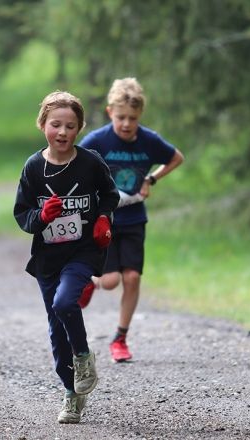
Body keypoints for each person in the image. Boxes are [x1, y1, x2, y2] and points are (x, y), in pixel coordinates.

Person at [13, 91, 119, 423]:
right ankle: (71, 392)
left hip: (83, 251)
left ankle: (84, 357)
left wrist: (103, 218)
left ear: (79, 128)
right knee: (57, 332)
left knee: (64, 303)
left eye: (70, 126)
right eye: (55, 124)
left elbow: (110, 195)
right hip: (49, 257)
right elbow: (22, 214)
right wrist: (42, 216)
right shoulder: (33, 167)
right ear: (42, 124)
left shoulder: (89, 162)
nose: (62, 132)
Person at [79, 78, 184, 363]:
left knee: (133, 277)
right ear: (110, 110)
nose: (126, 124)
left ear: (140, 116)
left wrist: (151, 178)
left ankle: (120, 338)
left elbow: (176, 158)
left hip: (135, 218)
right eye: (121, 117)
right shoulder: (98, 140)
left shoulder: (148, 140)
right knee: (111, 281)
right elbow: (77, 165)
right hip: (105, 220)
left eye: (133, 119)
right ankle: (91, 282)